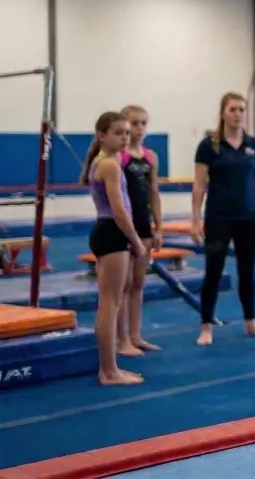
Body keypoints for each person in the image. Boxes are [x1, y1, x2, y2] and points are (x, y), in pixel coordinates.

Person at [191, 92, 255, 346]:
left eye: (241, 109)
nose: (238, 114)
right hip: (218, 217)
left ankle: (251, 322)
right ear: (223, 112)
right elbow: (199, 185)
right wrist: (195, 219)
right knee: (213, 271)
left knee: (247, 272)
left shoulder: (254, 146)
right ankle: (206, 326)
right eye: (233, 109)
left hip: (248, 216)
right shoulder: (209, 146)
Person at [80, 111, 146, 386]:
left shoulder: (105, 161)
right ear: (101, 135)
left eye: (127, 134)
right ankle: (109, 371)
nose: (124, 138)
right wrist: (137, 241)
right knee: (110, 303)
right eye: (118, 133)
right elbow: (119, 211)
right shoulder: (109, 165)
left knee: (109, 302)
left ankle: (110, 368)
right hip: (112, 232)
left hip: (106, 232)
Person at [116, 105, 163, 356]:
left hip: (143, 225)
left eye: (144, 123)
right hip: (123, 225)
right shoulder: (119, 156)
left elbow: (154, 192)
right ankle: (121, 338)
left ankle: (135, 335)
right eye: (134, 123)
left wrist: (158, 226)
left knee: (137, 282)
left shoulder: (150, 156)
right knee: (122, 285)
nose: (140, 128)